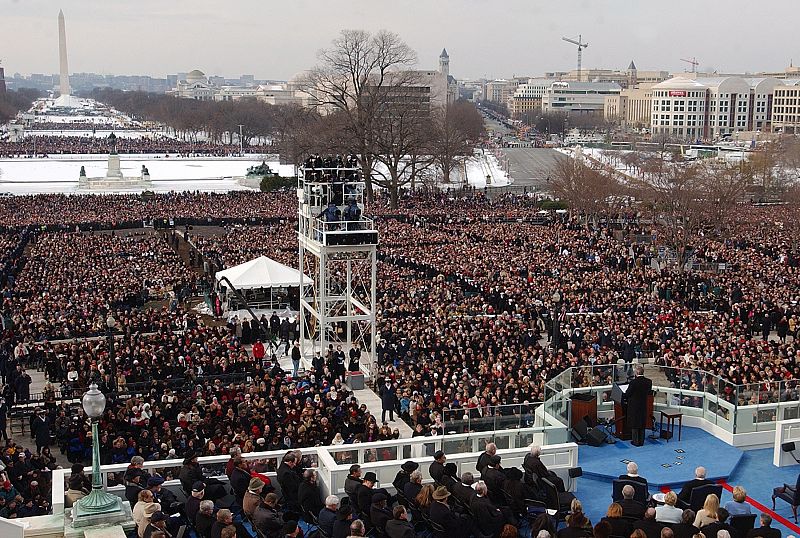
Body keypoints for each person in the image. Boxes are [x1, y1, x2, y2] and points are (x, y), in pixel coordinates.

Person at [625, 365, 652, 447]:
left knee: (635, 423)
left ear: (636, 373)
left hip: (634, 406)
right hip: (643, 405)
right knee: (642, 422)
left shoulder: (633, 382)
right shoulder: (648, 381)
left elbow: (628, 394)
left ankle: (635, 441)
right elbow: (648, 392)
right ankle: (641, 441)